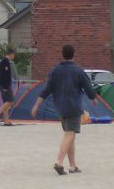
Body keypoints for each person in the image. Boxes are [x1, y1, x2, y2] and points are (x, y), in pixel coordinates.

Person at [31, 44, 96, 175]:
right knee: (70, 134)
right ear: (74, 54)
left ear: (62, 54)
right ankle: (59, 162)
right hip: (73, 106)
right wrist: (93, 97)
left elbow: (46, 90)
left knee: (69, 134)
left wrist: (36, 105)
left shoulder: (55, 71)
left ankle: (73, 165)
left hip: (59, 107)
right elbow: (88, 87)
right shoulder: (78, 71)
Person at [0, 49, 16, 126]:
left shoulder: (4, 61)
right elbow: (3, 75)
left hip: (2, 84)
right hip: (4, 85)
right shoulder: (5, 62)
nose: (14, 56)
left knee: (6, 102)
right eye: (13, 55)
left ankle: (6, 121)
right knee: (11, 101)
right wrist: (5, 86)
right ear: (11, 54)